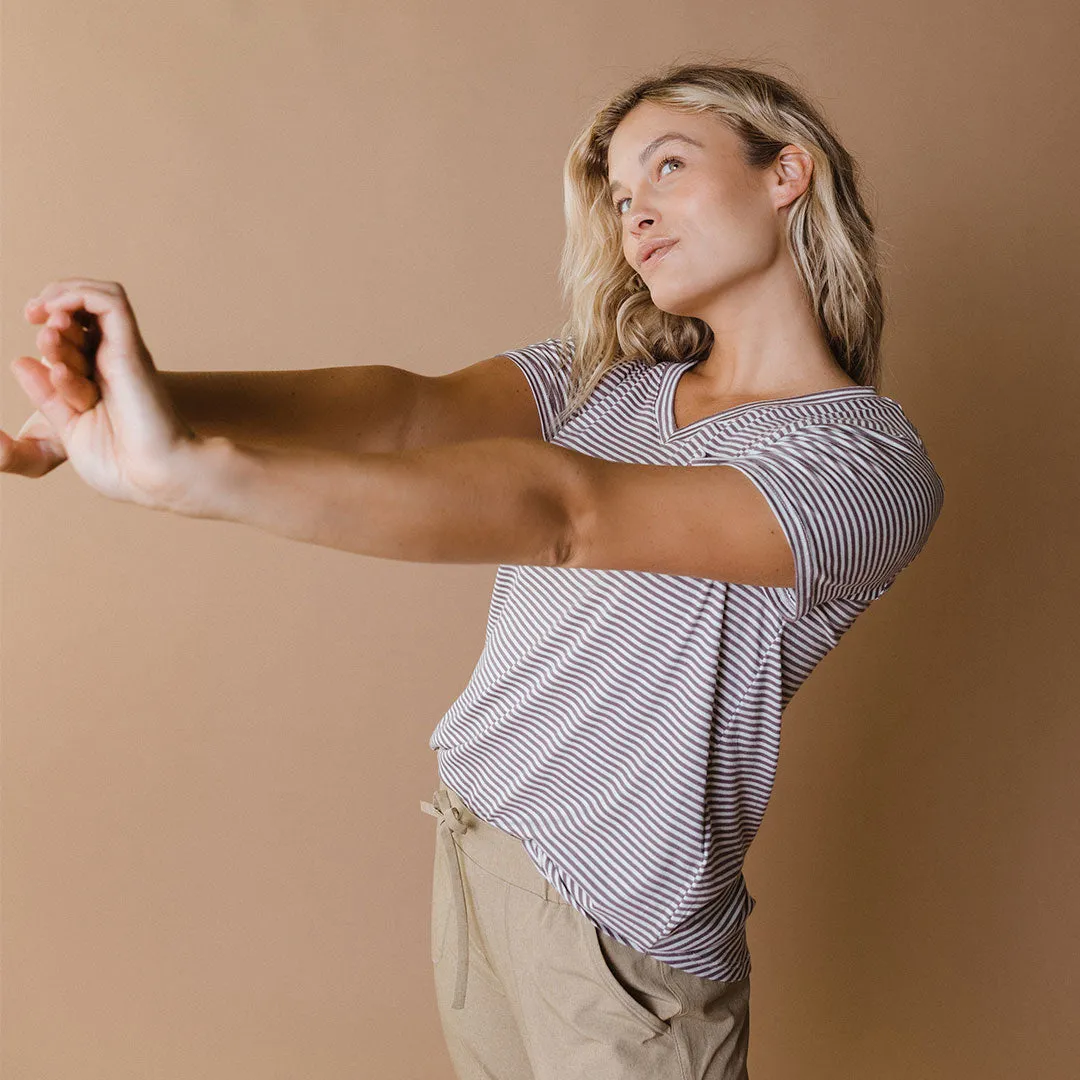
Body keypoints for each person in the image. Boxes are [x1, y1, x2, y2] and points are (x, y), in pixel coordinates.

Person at [4, 59, 945, 1080]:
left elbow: (566, 514)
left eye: (668, 168)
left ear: (786, 173)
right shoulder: (608, 377)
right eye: (622, 195)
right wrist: (136, 400)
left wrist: (190, 472)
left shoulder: (865, 467)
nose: (636, 214)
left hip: (623, 934)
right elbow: (404, 410)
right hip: (479, 854)